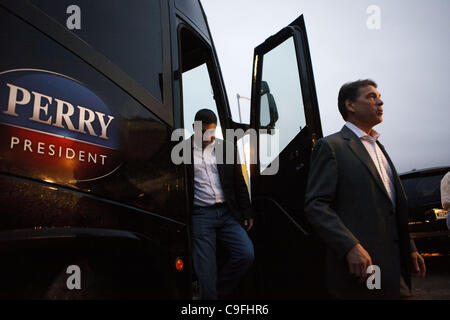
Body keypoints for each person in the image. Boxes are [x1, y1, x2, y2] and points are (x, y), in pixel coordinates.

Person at [304, 79, 426, 299]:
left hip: (395, 263)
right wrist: (349, 246)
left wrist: (411, 247)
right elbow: (316, 205)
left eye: (378, 97)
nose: (380, 102)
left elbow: (391, 205)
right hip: (366, 265)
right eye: (371, 97)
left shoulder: (379, 147)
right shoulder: (332, 146)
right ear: (350, 105)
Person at [185, 108, 254, 300]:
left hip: (227, 213)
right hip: (201, 216)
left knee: (246, 254)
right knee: (205, 274)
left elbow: (239, 182)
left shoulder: (226, 148)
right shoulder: (182, 151)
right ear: (194, 128)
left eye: (212, 132)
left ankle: (219, 291)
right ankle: (209, 295)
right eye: (203, 132)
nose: (208, 137)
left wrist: (247, 212)